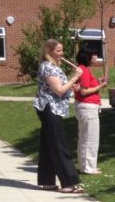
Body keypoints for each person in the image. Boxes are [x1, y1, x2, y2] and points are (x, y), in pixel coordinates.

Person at [33, 39, 83, 193]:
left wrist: (72, 86)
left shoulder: (53, 66)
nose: (62, 54)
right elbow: (59, 90)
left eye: (62, 50)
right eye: (59, 51)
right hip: (49, 108)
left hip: (53, 107)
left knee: (48, 144)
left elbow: (62, 88)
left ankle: (47, 181)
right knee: (58, 144)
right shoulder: (47, 67)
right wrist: (74, 77)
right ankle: (69, 183)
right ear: (49, 52)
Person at [73, 49, 108, 174]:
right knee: (90, 138)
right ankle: (88, 168)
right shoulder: (84, 71)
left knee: (85, 137)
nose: (96, 58)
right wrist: (100, 86)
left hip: (85, 107)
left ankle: (86, 166)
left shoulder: (82, 69)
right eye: (94, 56)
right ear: (88, 57)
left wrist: (97, 82)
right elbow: (84, 91)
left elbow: (84, 87)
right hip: (88, 108)